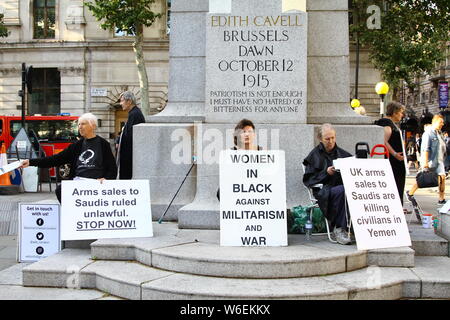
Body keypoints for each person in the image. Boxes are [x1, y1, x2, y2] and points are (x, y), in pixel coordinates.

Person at [21, 113, 117, 203]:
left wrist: (106, 179)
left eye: (83, 124)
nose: (80, 127)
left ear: (93, 126)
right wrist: (30, 162)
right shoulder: (77, 145)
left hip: (95, 183)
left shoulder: (103, 144)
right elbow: (56, 159)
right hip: (78, 181)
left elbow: (112, 168)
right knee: (60, 190)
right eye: (79, 124)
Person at [302, 123, 353, 245]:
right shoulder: (313, 155)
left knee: (352, 189)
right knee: (343, 190)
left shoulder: (343, 154)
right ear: (320, 139)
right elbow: (309, 180)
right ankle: (340, 228)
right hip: (324, 190)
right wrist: (326, 173)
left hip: (341, 188)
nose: (331, 141)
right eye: (327, 139)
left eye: (333, 138)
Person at [217, 119, 261, 200]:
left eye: (250, 131)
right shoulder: (230, 153)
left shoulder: (263, 152)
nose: (247, 134)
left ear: (254, 135)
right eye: (243, 132)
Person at [407, 114, 447, 204]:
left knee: (442, 178)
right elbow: (426, 148)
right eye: (441, 122)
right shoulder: (428, 133)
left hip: (439, 160)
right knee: (424, 178)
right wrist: (425, 163)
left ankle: (441, 198)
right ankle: (410, 193)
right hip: (431, 161)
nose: (442, 124)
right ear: (435, 122)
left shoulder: (439, 133)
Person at [374, 101, 406, 205]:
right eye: (401, 112)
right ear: (395, 112)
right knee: (396, 185)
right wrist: (395, 154)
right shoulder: (388, 125)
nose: (402, 115)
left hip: (396, 162)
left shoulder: (389, 124)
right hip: (394, 163)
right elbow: (383, 141)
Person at [117, 91, 145, 179]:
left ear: (129, 101)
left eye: (122, 101)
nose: (120, 103)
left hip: (130, 158)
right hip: (128, 157)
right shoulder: (133, 114)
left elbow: (131, 137)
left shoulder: (135, 114)